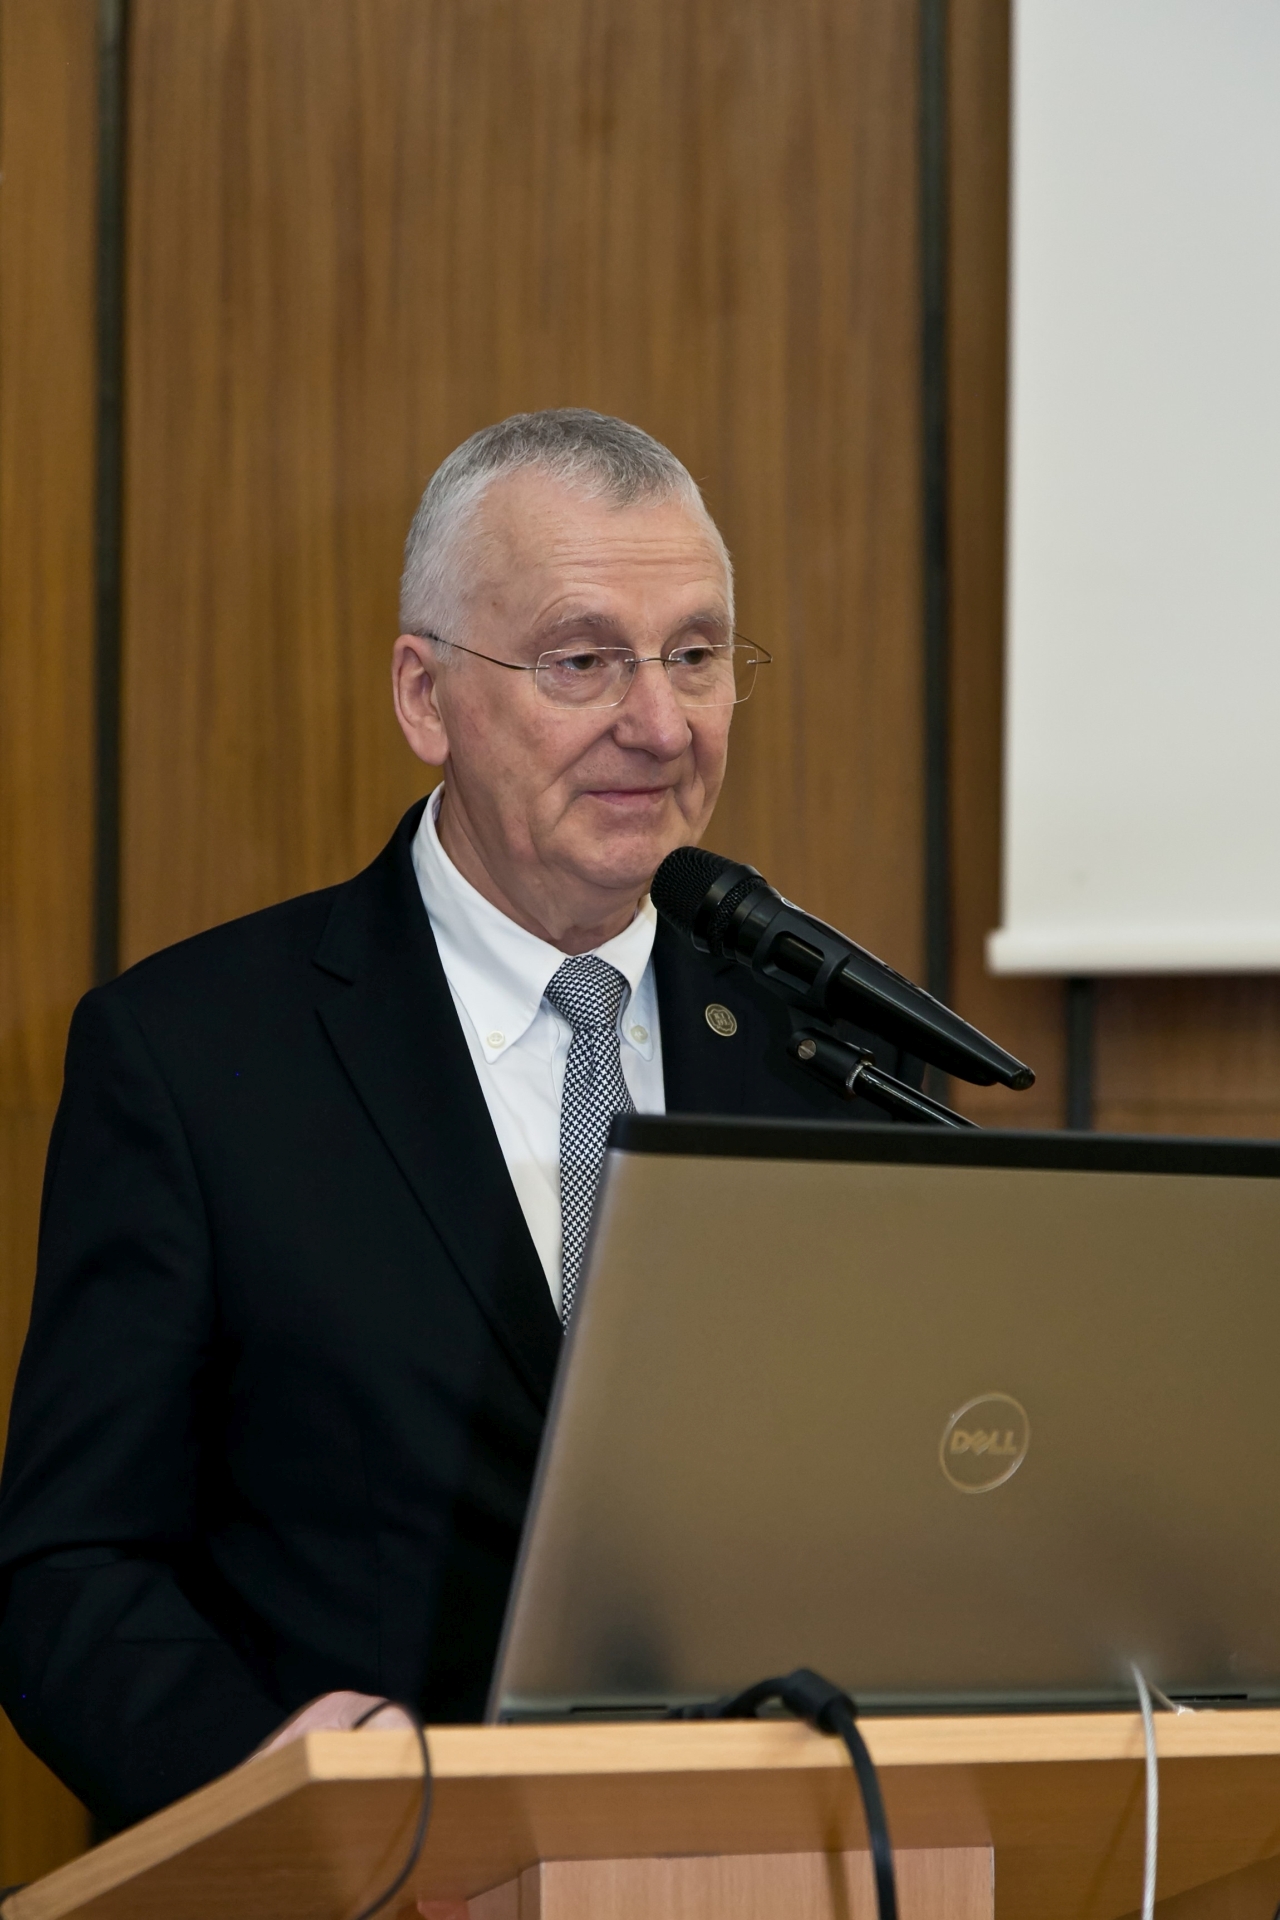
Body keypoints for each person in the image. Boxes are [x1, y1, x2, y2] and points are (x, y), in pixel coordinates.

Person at [0, 410, 916, 1829]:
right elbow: (72, 1571)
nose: (661, 724)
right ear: (425, 696)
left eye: (695, 655)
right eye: (583, 660)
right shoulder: (192, 1056)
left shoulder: (827, 1058)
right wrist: (282, 1785)